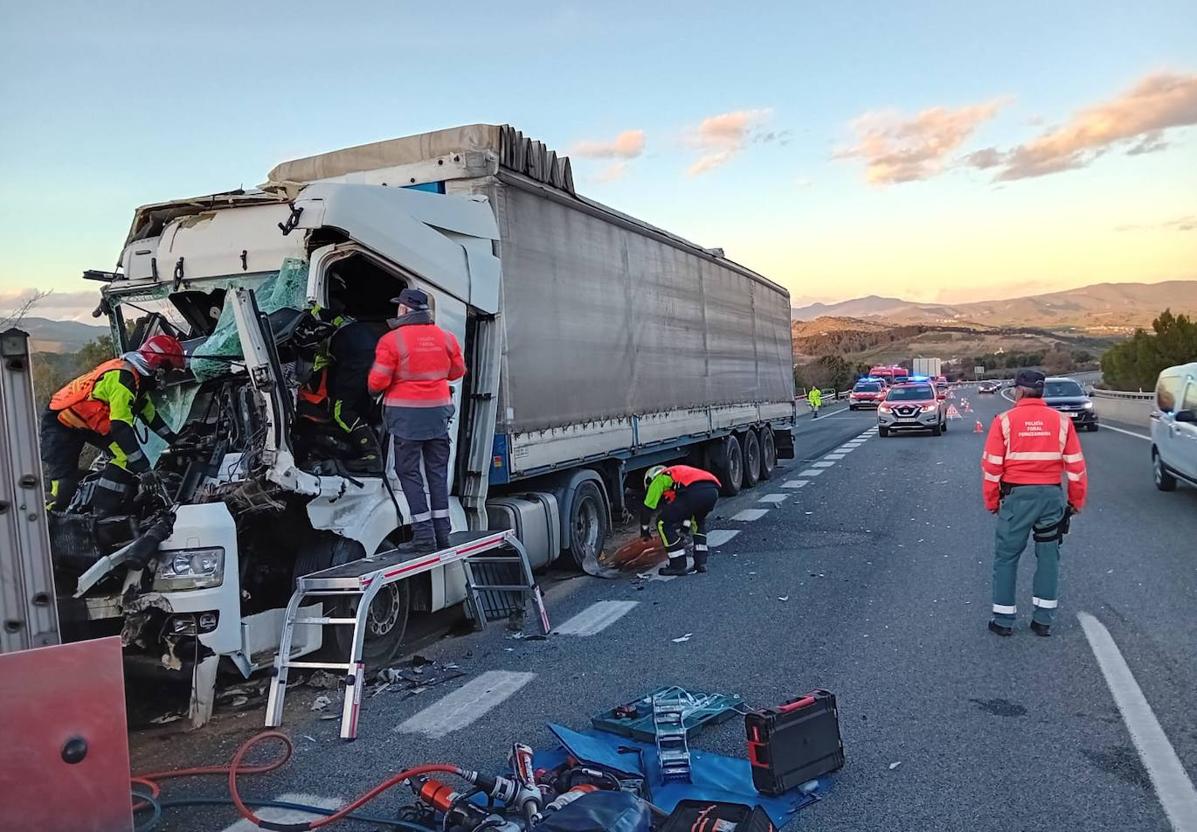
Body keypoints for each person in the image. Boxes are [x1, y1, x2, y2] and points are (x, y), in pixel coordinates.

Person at [980, 369, 1087, 637]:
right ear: (1042, 391)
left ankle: (1003, 621)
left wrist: (993, 502)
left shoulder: (1003, 421)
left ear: (1018, 390)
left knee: (1006, 558)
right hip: (1051, 497)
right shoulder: (1062, 421)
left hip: (1017, 498)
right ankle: (1043, 620)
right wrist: (1074, 503)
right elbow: (1076, 468)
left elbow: (992, 468)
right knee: (1049, 557)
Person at [41, 334, 186, 515]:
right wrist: (145, 469)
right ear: (157, 364)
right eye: (170, 370)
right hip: (61, 421)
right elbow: (120, 427)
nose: (168, 377)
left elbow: (150, 415)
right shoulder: (124, 379)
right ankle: (47, 525)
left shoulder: (139, 381)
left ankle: (102, 511)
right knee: (62, 486)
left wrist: (175, 440)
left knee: (126, 458)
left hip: (89, 423)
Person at [368, 288, 465, 552]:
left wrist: (375, 392)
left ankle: (423, 535)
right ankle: (443, 532)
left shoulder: (392, 341)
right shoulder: (446, 338)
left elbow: (377, 380)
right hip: (438, 416)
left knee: (409, 473)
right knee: (437, 472)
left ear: (404, 310)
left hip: (407, 419)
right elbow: (457, 372)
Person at [299, 301, 383, 472]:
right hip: (373, 357)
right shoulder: (341, 319)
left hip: (357, 361)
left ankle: (372, 456)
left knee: (341, 412)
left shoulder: (310, 323)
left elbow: (313, 366)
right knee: (359, 406)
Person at [640, 464, 722, 576]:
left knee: (662, 523)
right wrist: (684, 530)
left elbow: (647, 508)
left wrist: (644, 530)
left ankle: (678, 565)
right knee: (697, 521)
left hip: (694, 492)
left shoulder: (659, 478)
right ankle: (701, 562)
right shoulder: (677, 475)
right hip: (712, 490)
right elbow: (687, 511)